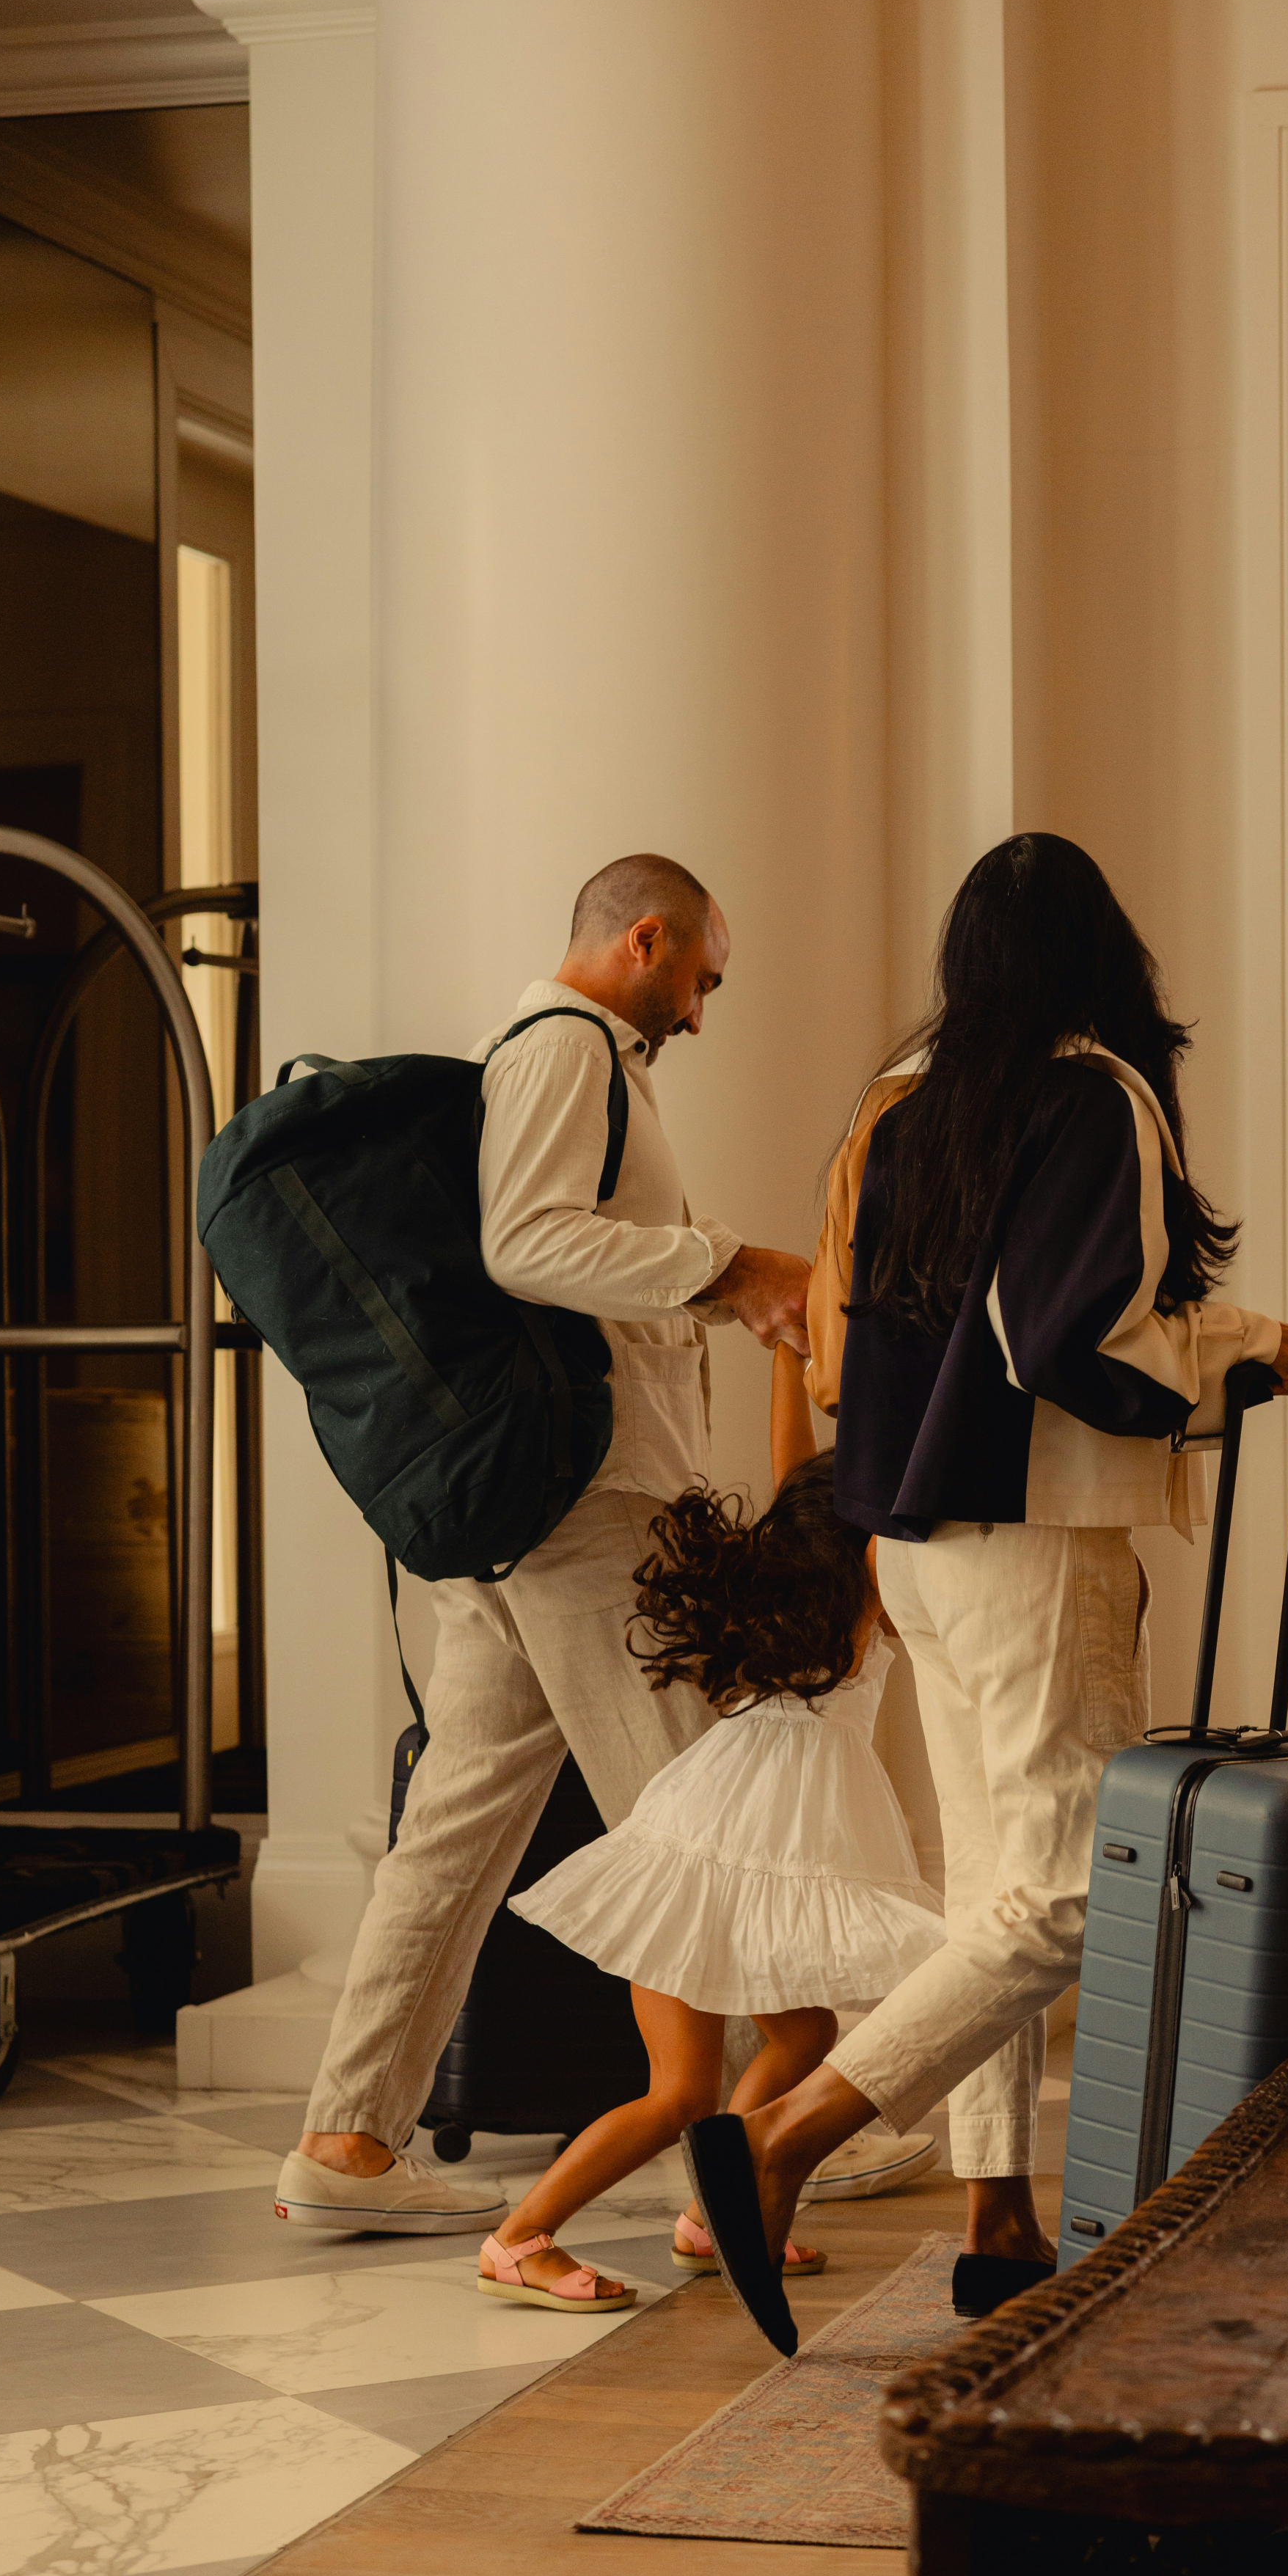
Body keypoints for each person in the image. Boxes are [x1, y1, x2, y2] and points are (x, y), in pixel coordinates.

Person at [682, 832, 1288, 2355]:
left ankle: (999, 2211)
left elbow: (947, 1319)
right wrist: (1250, 1350)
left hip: (913, 1535)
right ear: (1105, 953)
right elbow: (1066, 1340)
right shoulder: (1092, 1092)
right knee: (1060, 1895)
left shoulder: (903, 1107)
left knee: (991, 1883)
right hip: (1038, 1539)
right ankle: (784, 2141)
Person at [272, 852, 816, 2250]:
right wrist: (731, 1266)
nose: (703, 1012)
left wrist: (705, 1279)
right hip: (582, 1507)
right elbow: (529, 1245)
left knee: (458, 1826)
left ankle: (347, 2134)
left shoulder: (568, 1054)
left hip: (526, 1510)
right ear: (648, 940)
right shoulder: (573, 1046)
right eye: (703, 978)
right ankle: (790, 2115)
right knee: (700, 1800)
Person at [471, 1348, 943, 2308]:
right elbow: (865, 1493)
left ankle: (711, 2213)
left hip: (717, 1830)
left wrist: (787, 1355)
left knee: (803, 2030)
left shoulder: (805, 1575)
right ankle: (517, 2240)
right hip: (721, 1848)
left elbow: (792, 1470)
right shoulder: (870, 1584)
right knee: (678, 2094)